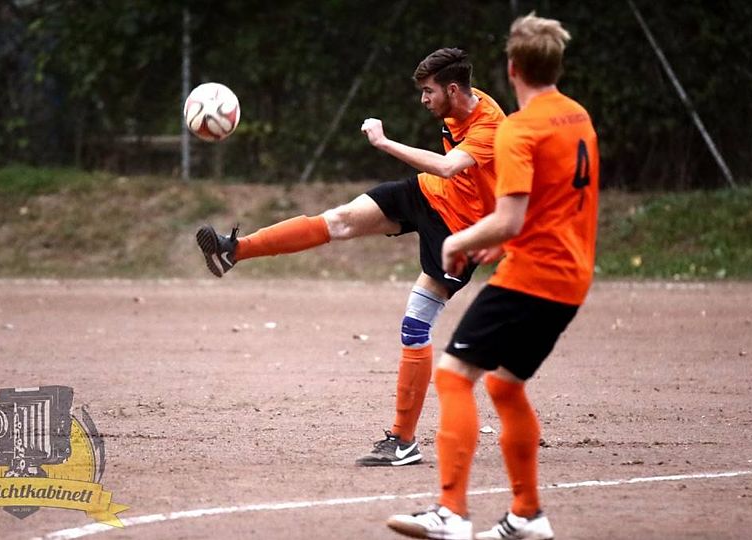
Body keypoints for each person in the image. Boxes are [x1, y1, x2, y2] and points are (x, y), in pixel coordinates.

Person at [196, 47, 505, 467]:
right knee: (339, 220)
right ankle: (235, 250)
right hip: (429, 194)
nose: (423, 99)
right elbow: (445, 175)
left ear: (452, 89)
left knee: (415, 323)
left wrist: (384, 142)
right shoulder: (459, 102)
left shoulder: (490, 124)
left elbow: (449, 166)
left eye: (428, 92)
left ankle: (403, 441)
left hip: (460, 232)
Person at [386, 13, 599, 540]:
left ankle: (450, 513)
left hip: (532, 276)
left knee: (454, 375)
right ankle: (527, 515)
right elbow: (554, 206)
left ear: (511, 69)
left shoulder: (517, 129)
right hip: (573, 277)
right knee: (505, 385)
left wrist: (458, 242)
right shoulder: (578, 118)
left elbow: (510, 218)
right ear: (556, 65)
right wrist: (496, 243)